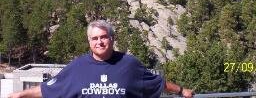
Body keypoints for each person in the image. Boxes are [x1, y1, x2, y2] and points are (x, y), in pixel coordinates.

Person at [8, 20, 194, 98]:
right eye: (95, 38)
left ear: (112, 39)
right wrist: (20, 94)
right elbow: (48, 88)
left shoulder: (129, 64)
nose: (100, 42)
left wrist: (181, 91)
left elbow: (157, 83)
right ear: (89, 41)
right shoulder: (77, 66)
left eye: (104, 37)